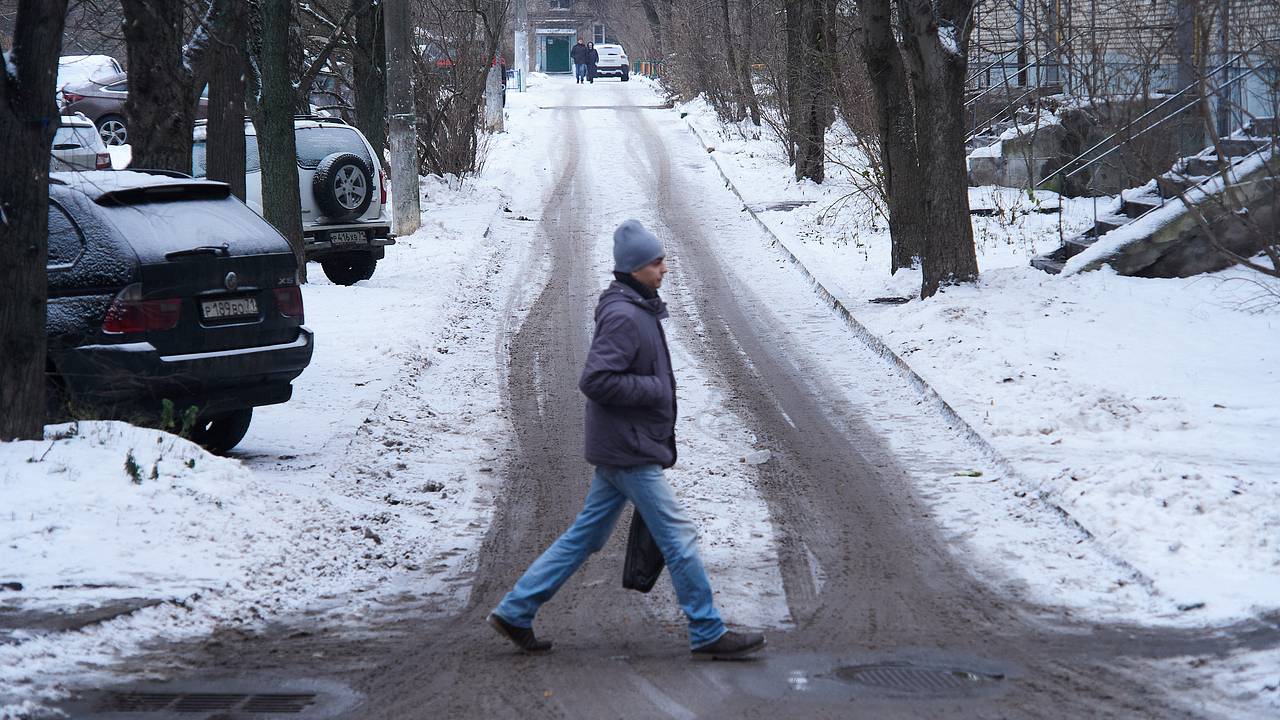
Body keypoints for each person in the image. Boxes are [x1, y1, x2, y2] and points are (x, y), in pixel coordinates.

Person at [487, 219, 767, 662]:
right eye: (657, 262)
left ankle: (516, 610)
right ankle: (708, 629)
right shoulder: (623, 315)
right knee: (677, 534)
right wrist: (655, 389)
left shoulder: (638, 307)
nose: (664, 268)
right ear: (635, 266)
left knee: (585, 537)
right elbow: (596, 380)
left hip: (623, 446)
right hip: (629, 449)